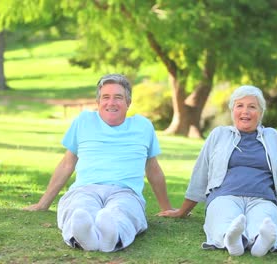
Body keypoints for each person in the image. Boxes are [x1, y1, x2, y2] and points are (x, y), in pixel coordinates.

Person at [24, 73, 173, 252]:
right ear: (98, 102)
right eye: (106, 97)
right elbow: (66, 164)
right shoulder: (84, 121)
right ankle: (86, 238)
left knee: (122, 211)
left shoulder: (143, 126)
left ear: (128, 102)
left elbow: (153, 169)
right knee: (80, 209)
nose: (111, 103)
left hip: (125, 192)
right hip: (85, 189)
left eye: (118, 97)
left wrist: (166, 208)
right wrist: (43, 204)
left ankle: (112, 236)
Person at [159, 85, 277, 257]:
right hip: (224, 196)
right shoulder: (219, 134)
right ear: (232, 110)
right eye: (240, 106)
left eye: (252, 106)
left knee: (265, 221)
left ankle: (261, 244)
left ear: (261, 113)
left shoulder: (272, 136)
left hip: (263, 197)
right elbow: (201, 173)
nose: (245, 111)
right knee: (225, 219)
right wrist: (182, 212)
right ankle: (232, 241)